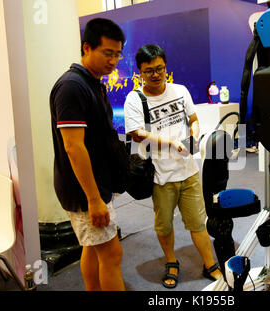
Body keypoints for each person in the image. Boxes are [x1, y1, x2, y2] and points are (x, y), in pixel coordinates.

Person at [124, 44, 222, 288]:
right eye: (149, 71)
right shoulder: (136, 99)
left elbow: (194, 120)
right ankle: (171, 261)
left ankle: (210, 264)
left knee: (198, 222)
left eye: (160, 68)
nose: (156, 75)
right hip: (160, 176)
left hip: (188, 172)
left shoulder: (180, 91)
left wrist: (194, 137)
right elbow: (136, 134)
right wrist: (171, 143)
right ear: (140, 72)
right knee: (164, 224)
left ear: (166, 67)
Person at [49, 18, 126, 291]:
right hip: (85, 191)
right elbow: (73, 146)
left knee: (92, 248)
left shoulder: (91, 82)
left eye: (117, 54)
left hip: (95, 185)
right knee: (111, 254)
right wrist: (94, 199)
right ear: (86, 47)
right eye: (107, 53)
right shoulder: (72, 86)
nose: (113, 60)